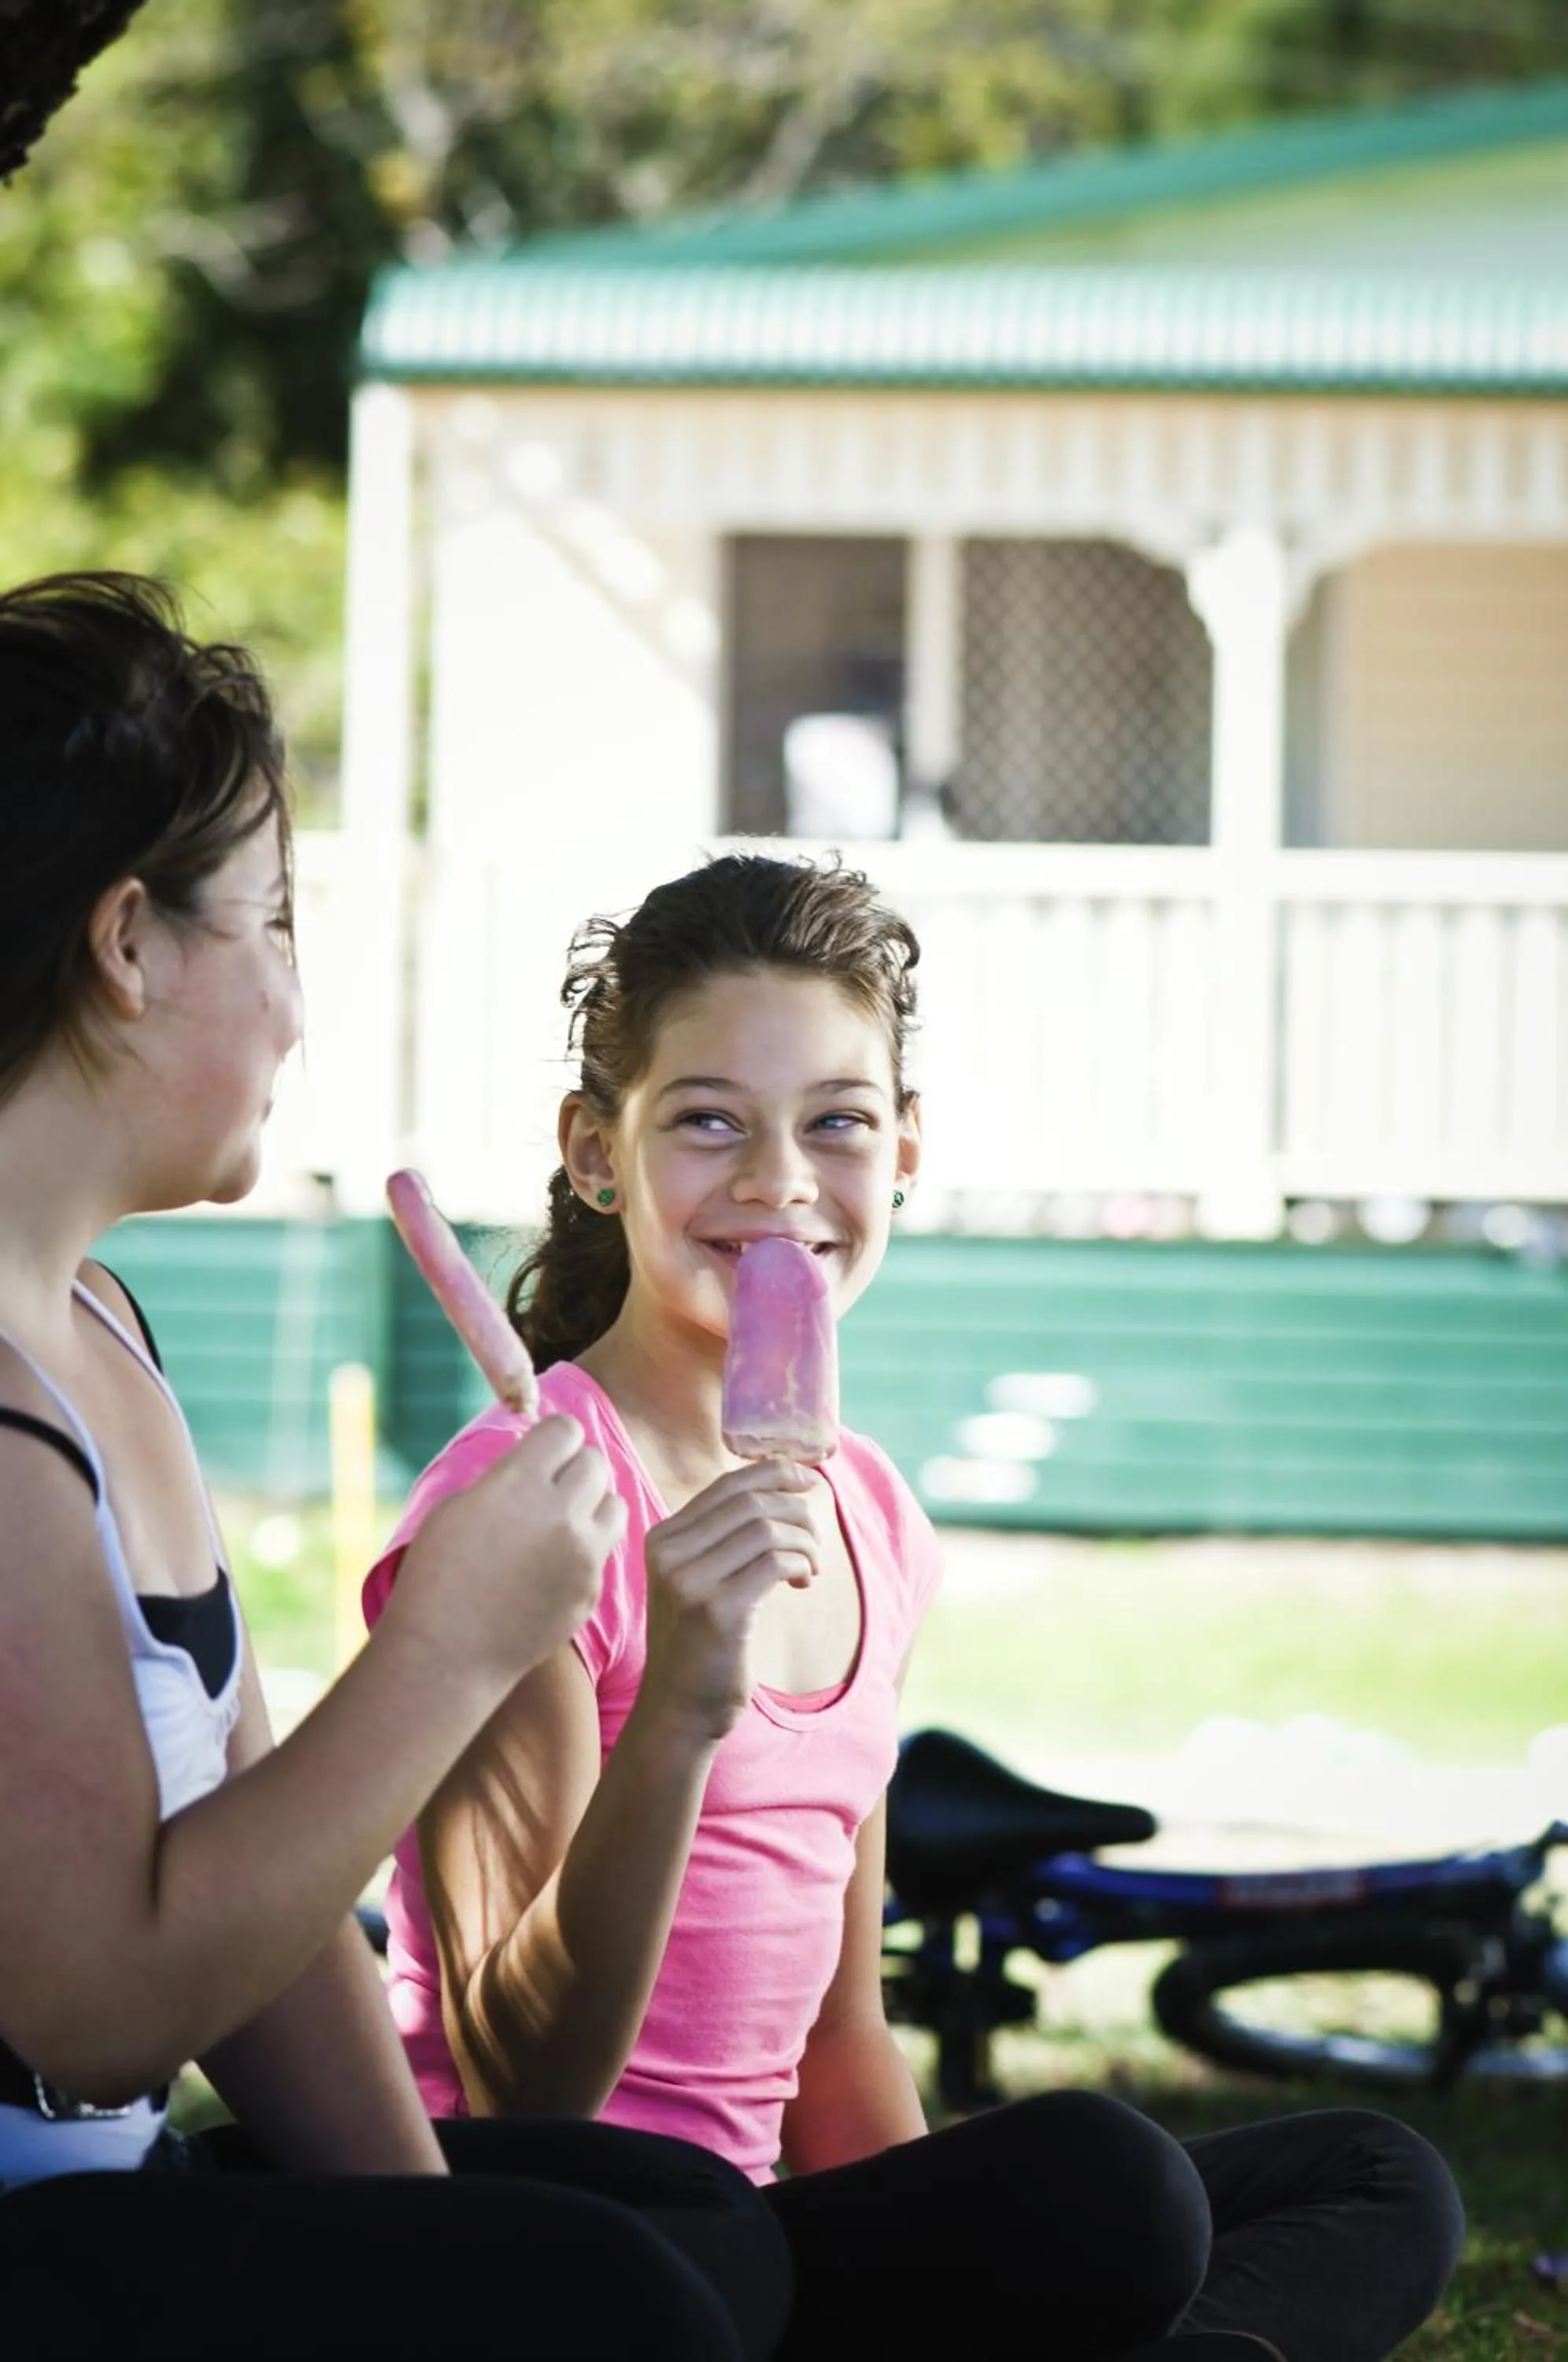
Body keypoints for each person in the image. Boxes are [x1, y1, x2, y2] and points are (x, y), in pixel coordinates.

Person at [364, 851, 1466, 2362]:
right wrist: (680, 1706)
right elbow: (523, 2083)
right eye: (706, 1122)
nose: (775, 1183)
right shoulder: (526, 1502)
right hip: (573, 2241)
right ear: (593, 1152)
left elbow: (835, 2037)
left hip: (764, 2240)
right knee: (1110, 2184)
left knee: (1371, 2181)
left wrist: (958, 2267)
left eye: (836, 1122)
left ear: (906, 1151)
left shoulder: (871, 1514)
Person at [0, 573, 792, 2362]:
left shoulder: (96, 1329)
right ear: (127, 944)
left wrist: (432, 2246)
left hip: (123, 2206)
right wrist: (450, 1648)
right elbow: (102, 2011)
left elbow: (262, 1895)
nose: (293, 1006)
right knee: (631, 2301)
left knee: (686, 2239)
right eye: (273, 925)